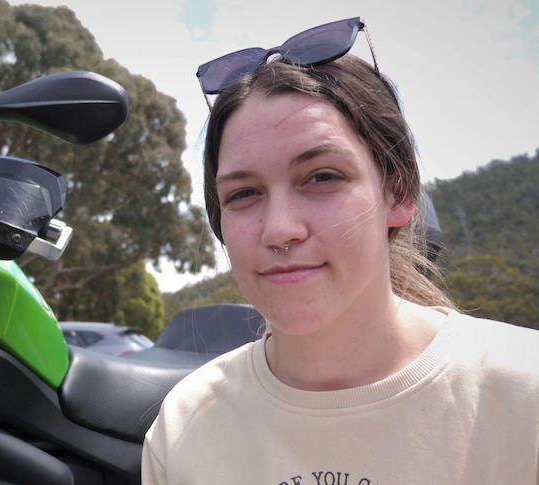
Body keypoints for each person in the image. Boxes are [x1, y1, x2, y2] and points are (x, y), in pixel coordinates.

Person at [142, 16, 539, 484]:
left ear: (398, 193)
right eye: (243, 194)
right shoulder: (185, 428)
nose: (279, 230)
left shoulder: (523, 394)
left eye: (322, 177)